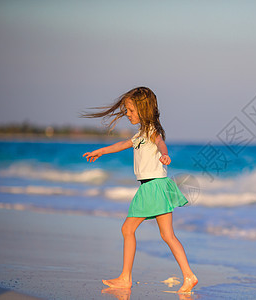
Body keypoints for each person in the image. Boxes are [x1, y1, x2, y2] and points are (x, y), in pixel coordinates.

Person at [82, 87, 198, 293]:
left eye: (131, 110)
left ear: (143, 109)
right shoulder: (141, 134)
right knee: (167, 235)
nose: (128, 114)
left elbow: (161, 143)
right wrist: (100, 151)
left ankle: (126, 278)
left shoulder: (152, 131)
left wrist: (165, 154)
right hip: (158, 186)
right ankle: (189, 276)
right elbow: (122, 144)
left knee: (128, 229)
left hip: (153, 187)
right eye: (127, 110)